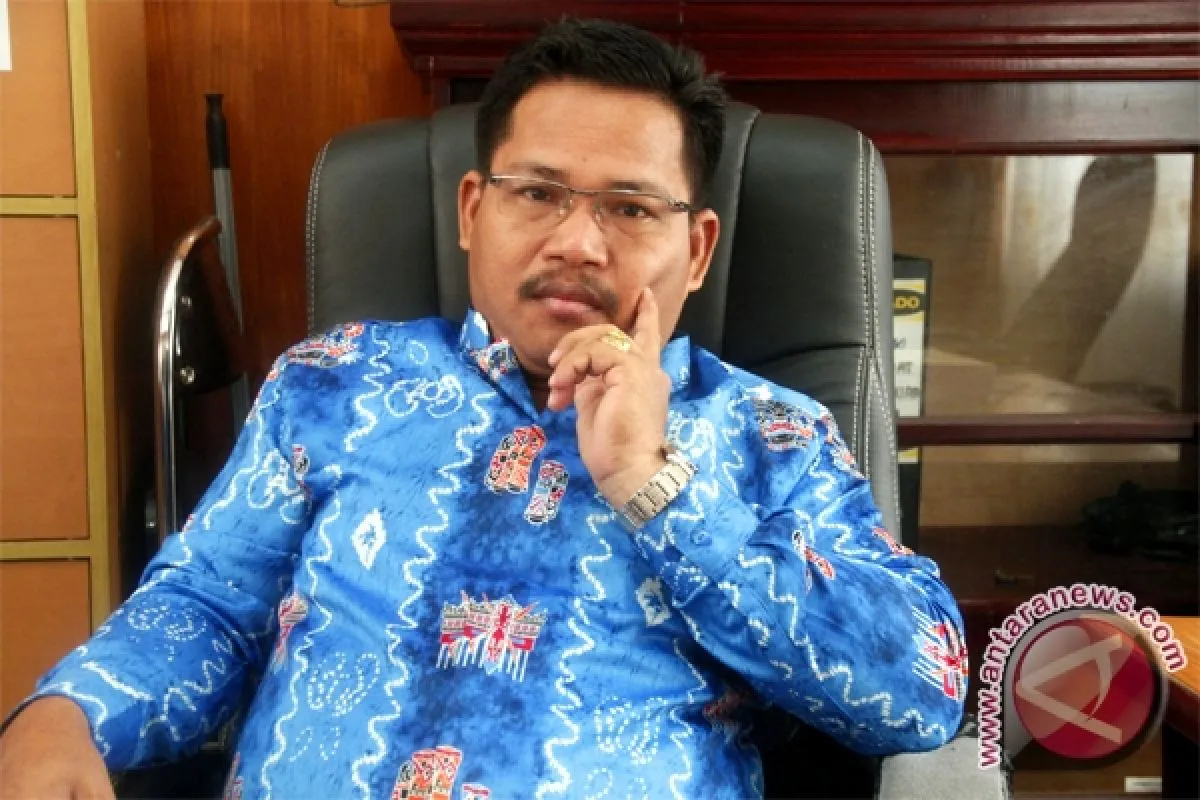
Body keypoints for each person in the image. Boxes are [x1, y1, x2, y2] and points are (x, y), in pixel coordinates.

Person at [0, 18, 967, 800]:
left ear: (699, 248)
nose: (578, 242)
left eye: (631, 208)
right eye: (537, 193)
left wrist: (656, 487)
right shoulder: (333, 381)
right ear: (472, 211)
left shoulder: (772, 434)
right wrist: (66, 712)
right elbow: (205, 607)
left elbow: (919, 692)